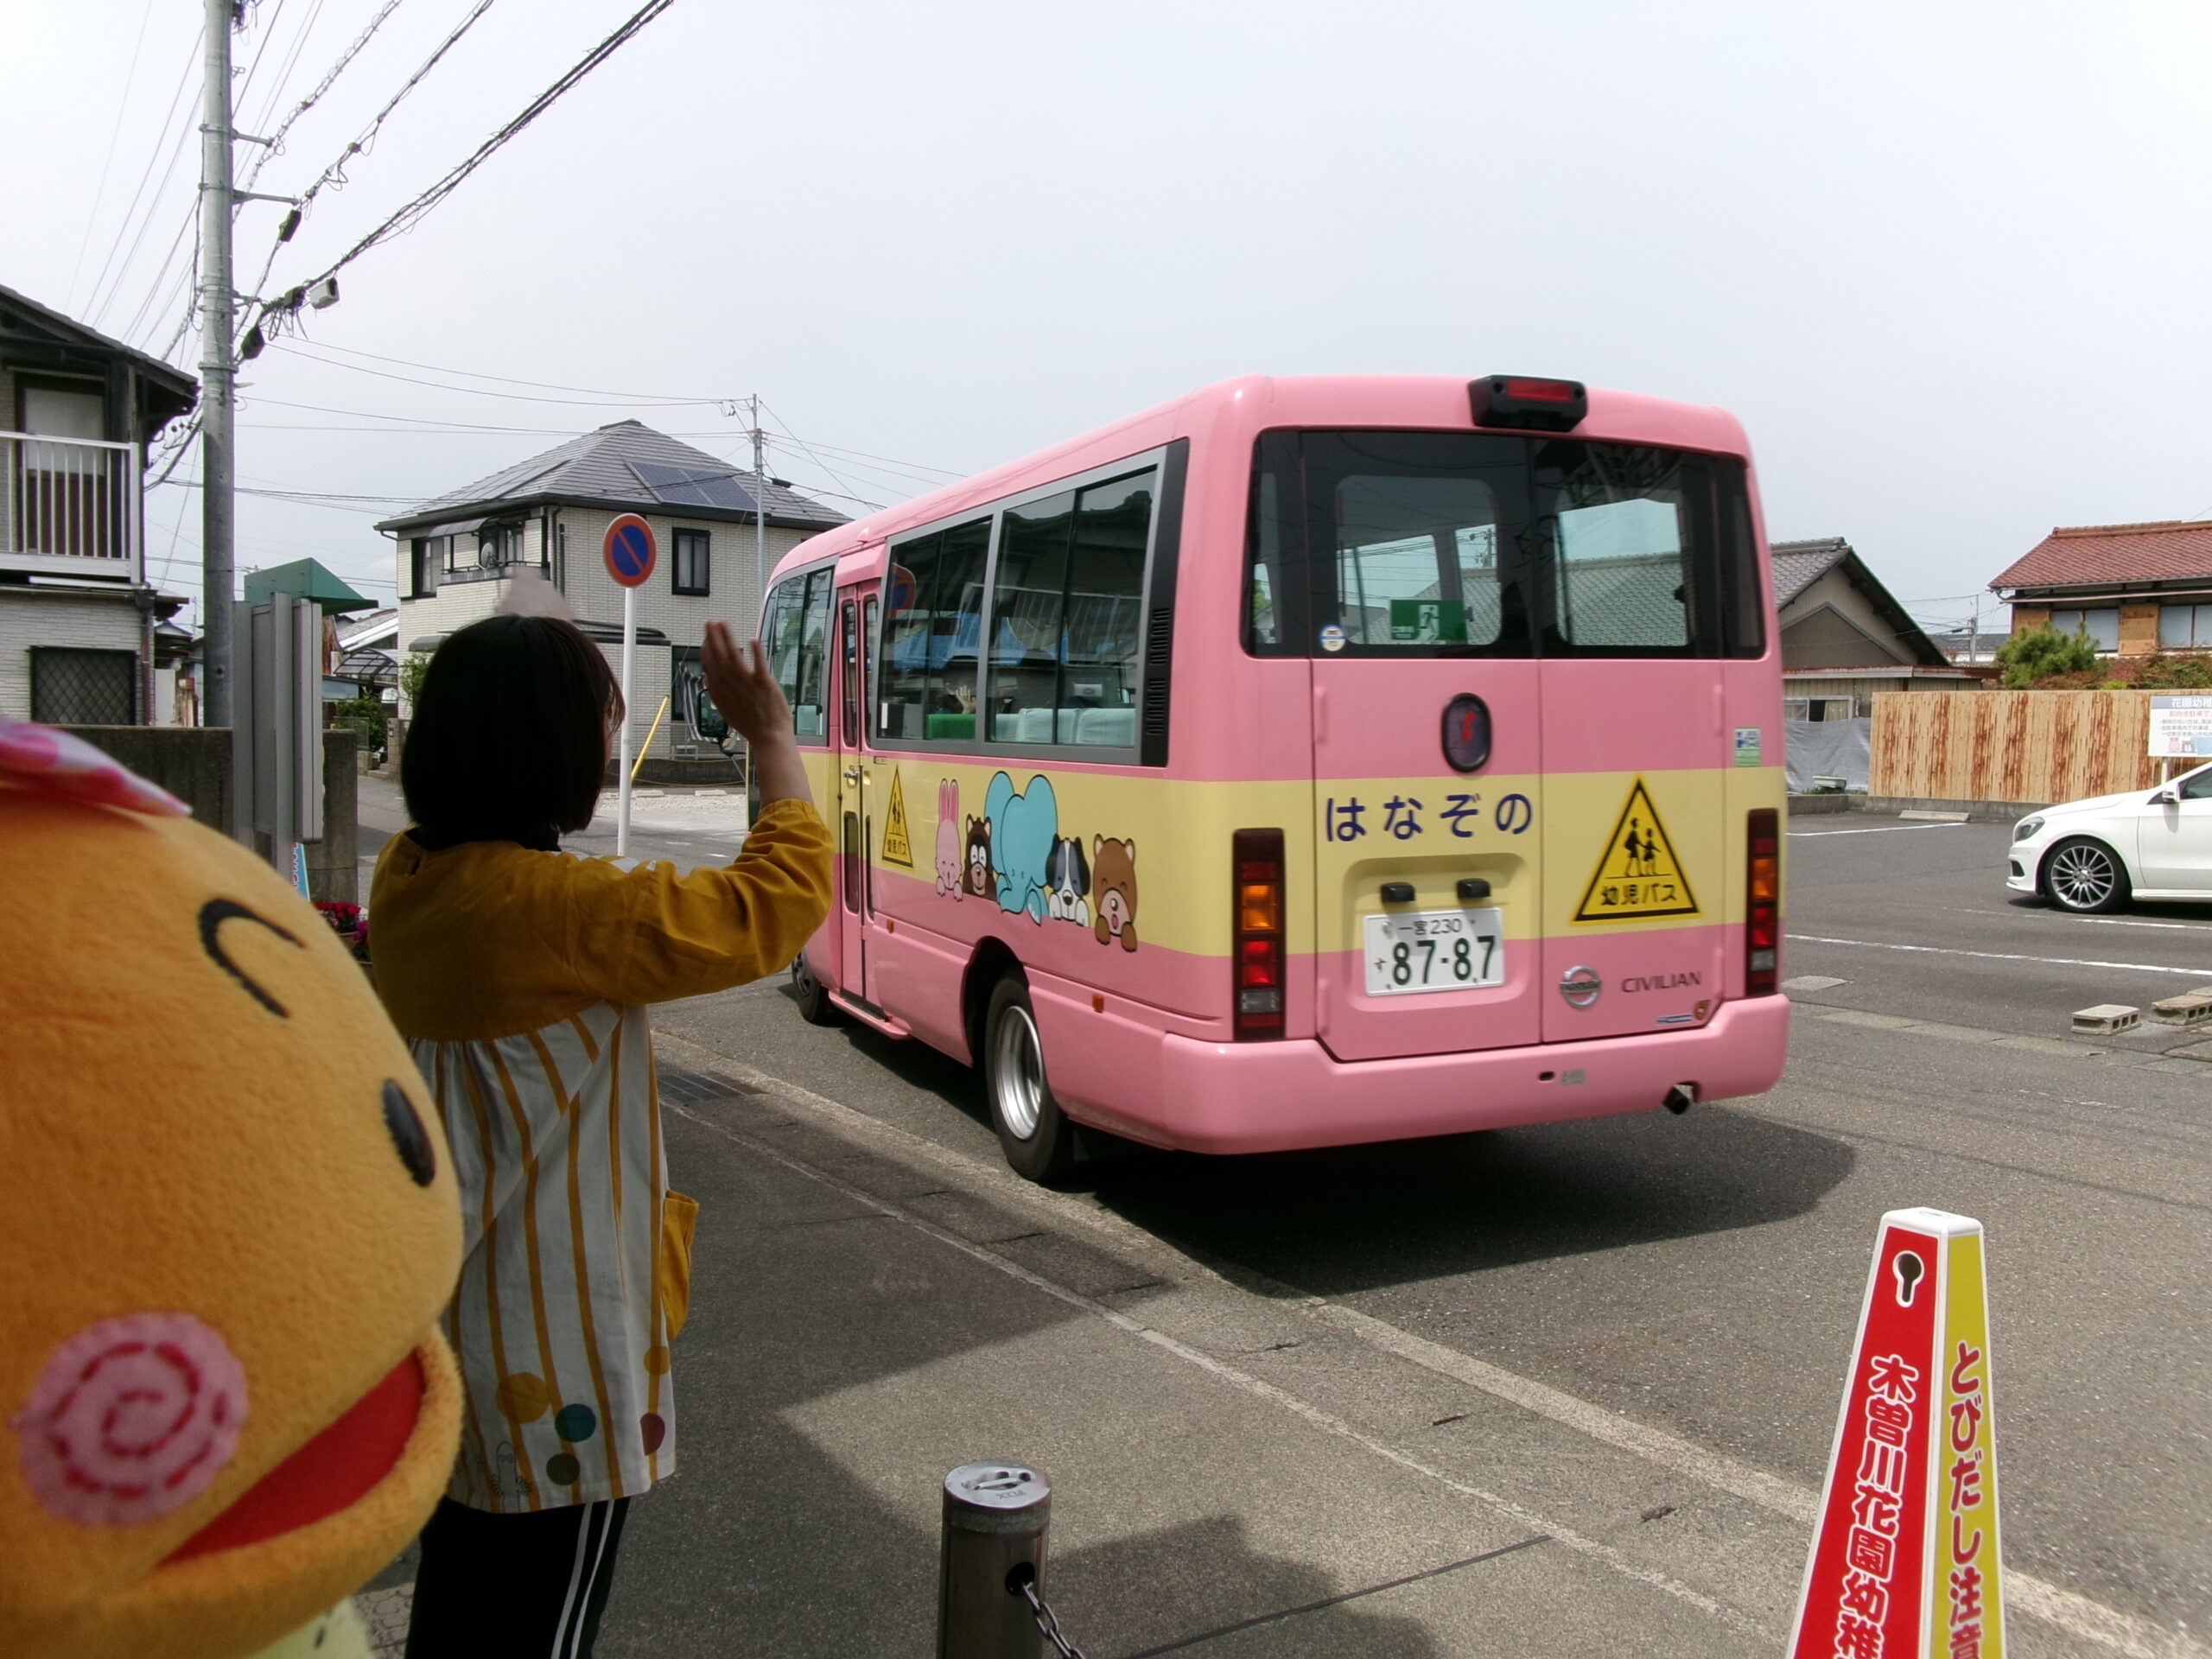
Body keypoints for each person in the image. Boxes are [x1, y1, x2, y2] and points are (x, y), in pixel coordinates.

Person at [371, 609, 831, 1658]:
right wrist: (769, 735)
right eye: (599, 723)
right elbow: (773, 905)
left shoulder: (407, 881)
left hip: (446, 1338)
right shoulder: (559, 909)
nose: (610, 742)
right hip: (557, 1364)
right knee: (541, 1632)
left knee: (456, 1610)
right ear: (546, 749)